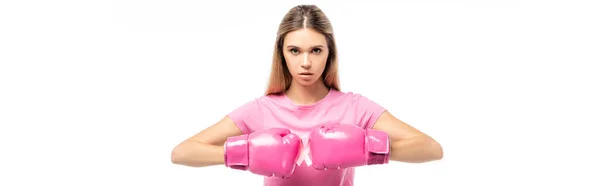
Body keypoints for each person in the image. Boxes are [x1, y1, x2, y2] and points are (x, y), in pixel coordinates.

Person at [171, 4, 443, 186]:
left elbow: (430, 148)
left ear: (329, 53)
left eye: (315, 50)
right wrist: (247, 152)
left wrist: (366, 150)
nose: (305, 63)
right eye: (294, 51)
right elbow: (182, 153)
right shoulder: (262, 110)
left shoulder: (355, 107)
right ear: (282, 54)